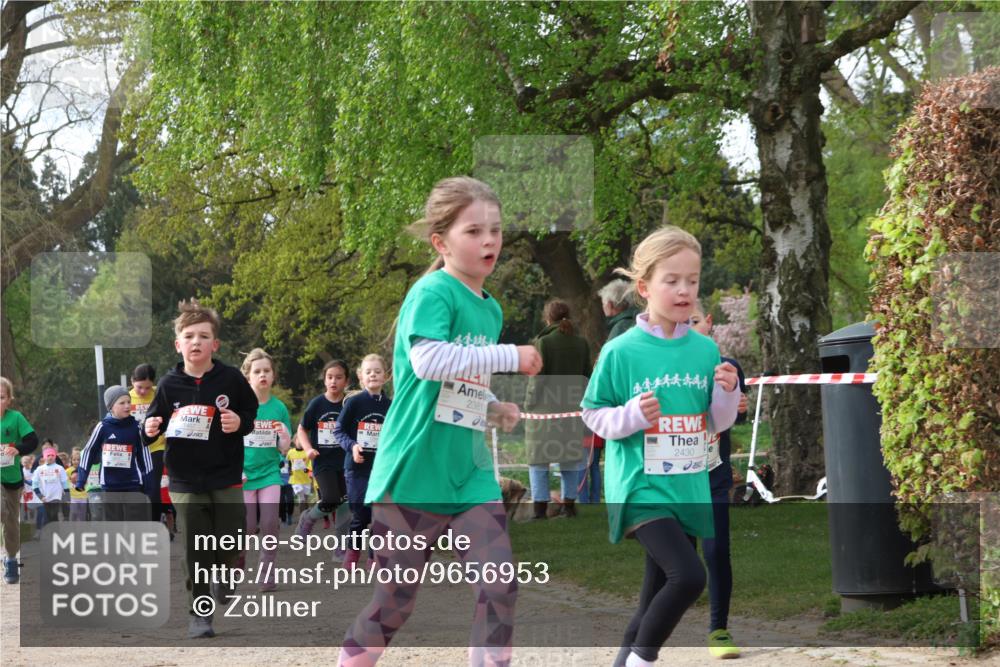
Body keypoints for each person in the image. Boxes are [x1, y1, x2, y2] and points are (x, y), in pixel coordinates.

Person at [339, 176, 542, 667]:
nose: (489, 240)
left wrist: (493, 405)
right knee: (394, 604)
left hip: (468, 475)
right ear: (441, 242)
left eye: (495, 230)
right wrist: (512, 355)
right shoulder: (432, 292)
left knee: (501, 585)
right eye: (474, 231)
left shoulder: (489, 309)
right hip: (412, 475)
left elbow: (459, 384)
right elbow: (429, 362)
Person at [581, 225, 740, 667]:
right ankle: (642, 661)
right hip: (640, 487)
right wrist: (631, 414)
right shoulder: (622, 351)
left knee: (654, 595)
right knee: (688, 577)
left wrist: (726, 393)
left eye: (692, 280)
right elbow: (593, 414)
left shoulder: (705, 351)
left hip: (687, 488)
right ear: (644, 286)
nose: (684, 289)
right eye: (672, 280)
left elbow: (716, 424)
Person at [141, 299, 258, 639]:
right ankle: (200, 614)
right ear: (178, 344)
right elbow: (151, 424)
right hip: (184, 478)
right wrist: (149, 429)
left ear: (214, 344)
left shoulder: (232, 379)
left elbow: (250, 416)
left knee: (232, 538)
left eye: (203, 336)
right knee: (195, 547)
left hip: (225, 473)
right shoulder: (168, 385)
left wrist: (240, 422)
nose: (196, 342)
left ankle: (226, 574)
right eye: (189, 336)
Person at [689, 302, 748, 659]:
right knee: (675, 561)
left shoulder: (727, 367)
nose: (689, 326)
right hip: (673, 479)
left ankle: (719, 629)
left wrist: (737, 407)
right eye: (682, 321)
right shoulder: (666, 367)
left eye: (694, 320)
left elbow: (734, 417)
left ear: (709, 323)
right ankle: (649, 630)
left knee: (715, 551)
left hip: (713, 474)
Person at [523, 299, 591, 519]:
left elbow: (538, 379)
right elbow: (587, 377)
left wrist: (528, 404)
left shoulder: (544, 342)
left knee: (538, 460)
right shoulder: (582, 343)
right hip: (572, 411)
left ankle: (539, 511)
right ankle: (569, 507)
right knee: (569, 460)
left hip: (544, 412)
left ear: (547, 318)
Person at [239, 348, 292, 591]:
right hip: (244, 474)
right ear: (247, 376)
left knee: (270, 522)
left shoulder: (279, 408)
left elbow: (284, 448)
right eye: (257, 371)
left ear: (273, 376)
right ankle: (237, 562)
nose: (262, 375)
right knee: (247, 527)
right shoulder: (240, 405)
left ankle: (267, 573)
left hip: (270, 472)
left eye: (266, 371)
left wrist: (284, 437)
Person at [333, 354, 391, 569]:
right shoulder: (355, 403)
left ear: (386, 376)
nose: (373, 375)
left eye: (377, 371)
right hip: (357, 467)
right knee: (361, 512)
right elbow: (338, 430)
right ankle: (352, 550)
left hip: (382, 469)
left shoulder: (391, 406)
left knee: (380, 513)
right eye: (368, 372)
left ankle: (374, 556)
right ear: (361, 377)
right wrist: (353, 446)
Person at [77, 385, 152, 521]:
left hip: (133, 484)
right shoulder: (102, 427)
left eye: (129, 402)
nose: (127, 406)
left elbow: (144, 454)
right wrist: (81, 479)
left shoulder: (137, 426)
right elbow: (88, 451)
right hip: (110, 485)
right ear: (111, 407)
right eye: (122, 403)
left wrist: (148, 481)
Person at [295, 360, 350, 540]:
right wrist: (308, 448)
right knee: (331, 498)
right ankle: (308, 518)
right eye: (330, 377)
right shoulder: (317, 404)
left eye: (339, 377)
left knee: (345, 502)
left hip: (346, 460)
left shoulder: (350, 403)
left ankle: (341, 546)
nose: (334, 381)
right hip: (323, 460)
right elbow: (302, 429)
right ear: (325, 380)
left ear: (346, 381)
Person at [1, 376, 39, 584]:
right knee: (0, 510)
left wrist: (18, 449)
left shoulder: (15, 418)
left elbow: (33, 440)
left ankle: (11, 559)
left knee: (12, 523)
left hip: (12, 478)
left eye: (1, 397)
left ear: (9, 399)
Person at [131, 364, 167, 522]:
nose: (143, 392)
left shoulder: (159, 395)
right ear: (132, 381)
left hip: (155, 447)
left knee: (153, 489)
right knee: (137, 489)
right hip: (134, 450)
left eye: (147, 387)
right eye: (139, 387)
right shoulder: (125, 397)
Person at [32, 445, 69, 528]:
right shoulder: (39, 469)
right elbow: (34, 485)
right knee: (47, 518)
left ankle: (55, 535)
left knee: (54, 516)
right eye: (48, 455)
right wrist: (40, 496)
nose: (50, 457)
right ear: (44, 457)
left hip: (56, 497)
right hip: (44, 498)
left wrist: (67, 496)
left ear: (55, 457)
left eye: (52, 455)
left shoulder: (60, 468)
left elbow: (64, 483)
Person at [67, 448, 88, 521]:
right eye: (74, 460)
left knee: (82, 516)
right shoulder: (68, 471)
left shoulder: (84, 470)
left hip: (83, 496)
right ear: (71, 460)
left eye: (78, 460)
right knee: (73, 514)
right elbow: (65, 482)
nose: (76, 461)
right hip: (73, 497)